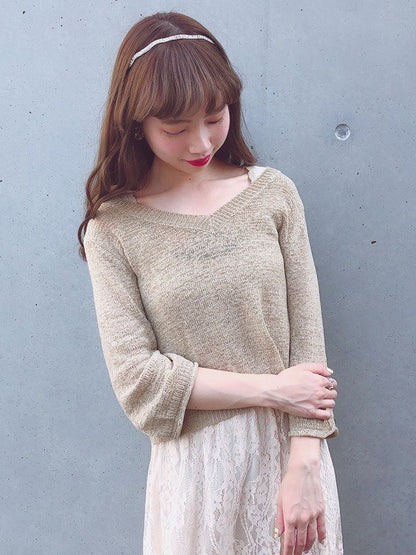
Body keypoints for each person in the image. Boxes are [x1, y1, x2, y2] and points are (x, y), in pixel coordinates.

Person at [77, 11, 344, 555]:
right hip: (196, 475)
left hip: (293, 462)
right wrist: (272, 389)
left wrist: (306, 462)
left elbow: (307, 340)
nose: (200, 142)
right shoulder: (115, 228)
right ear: (136, 123)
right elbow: (138, 381)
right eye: (175, 129)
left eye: (215, 117)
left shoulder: (272, 195)